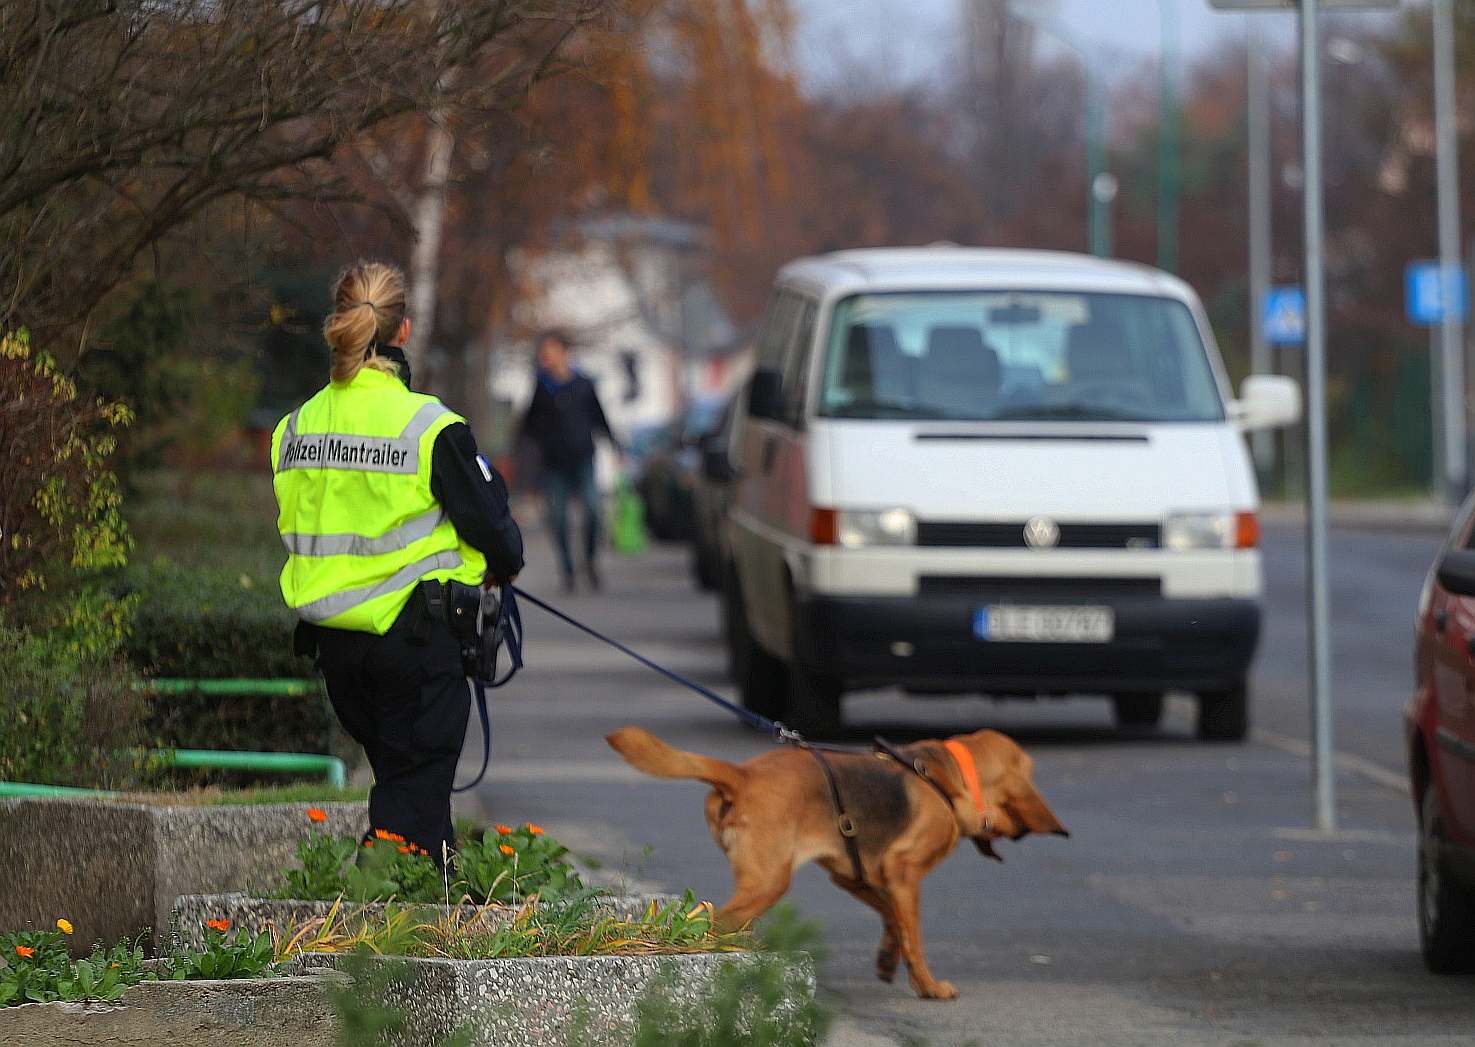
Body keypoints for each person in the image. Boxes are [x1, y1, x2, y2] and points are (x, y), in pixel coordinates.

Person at [270, 261, 523, 862]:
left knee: (414, 791)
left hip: (338, 652)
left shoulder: (295, 427)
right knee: (406, 815)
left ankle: (435, 903)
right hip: (417, 649)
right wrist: (496, 567)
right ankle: (371, 929)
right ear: (402, 332)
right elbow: (500, 537)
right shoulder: (429, 428)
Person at [518, 329, 621, 593]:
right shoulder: (542, 388)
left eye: (550, 354)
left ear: (565, 353)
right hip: (554, 465)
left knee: (593, 511)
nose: (546, 359)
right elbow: (529, 428)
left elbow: (600, 417)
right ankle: (567, 569)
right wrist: (526, 464)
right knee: (558, 518)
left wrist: (615, 445)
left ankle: (590, 560)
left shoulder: (584, 384)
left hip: (583, 459)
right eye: (544, 355)